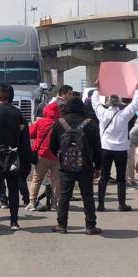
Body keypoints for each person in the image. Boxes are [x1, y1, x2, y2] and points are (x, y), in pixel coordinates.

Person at [50, 96, 103, 235]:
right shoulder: (90, 124)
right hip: (85, 166)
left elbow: (52, 146)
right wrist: (98, 167)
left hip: (65, 166)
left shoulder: (59, 123)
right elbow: (98, 148)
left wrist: (62, 156)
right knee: (88, 195)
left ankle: (62, 225)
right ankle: (90, 226)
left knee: (64, 195)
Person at [0, 84, 31, 231]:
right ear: (10, 97)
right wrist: (26, 160)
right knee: (13, 190)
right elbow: (25, 140)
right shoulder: (18, 114)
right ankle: (14, 222)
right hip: (13, 158)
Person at [90, 82, 138, 212]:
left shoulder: (102, 113)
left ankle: (101, 204)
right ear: (119, 102)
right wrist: (137, 89)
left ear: (108, 102)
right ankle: (121, 204)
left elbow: (94, 102)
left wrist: (97, 88)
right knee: (121, 178)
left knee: (104, 177)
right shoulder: (124, 115)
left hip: (105, 148)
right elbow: (135, 104)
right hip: (121, 149)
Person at [28, 102, 61, 212]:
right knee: (56, 181)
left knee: (36, 179)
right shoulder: (60, 123)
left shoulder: (40, 122)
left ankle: (32, 203)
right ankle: (54, 205)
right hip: (56, 156)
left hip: (42, 154)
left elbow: (31, 134)